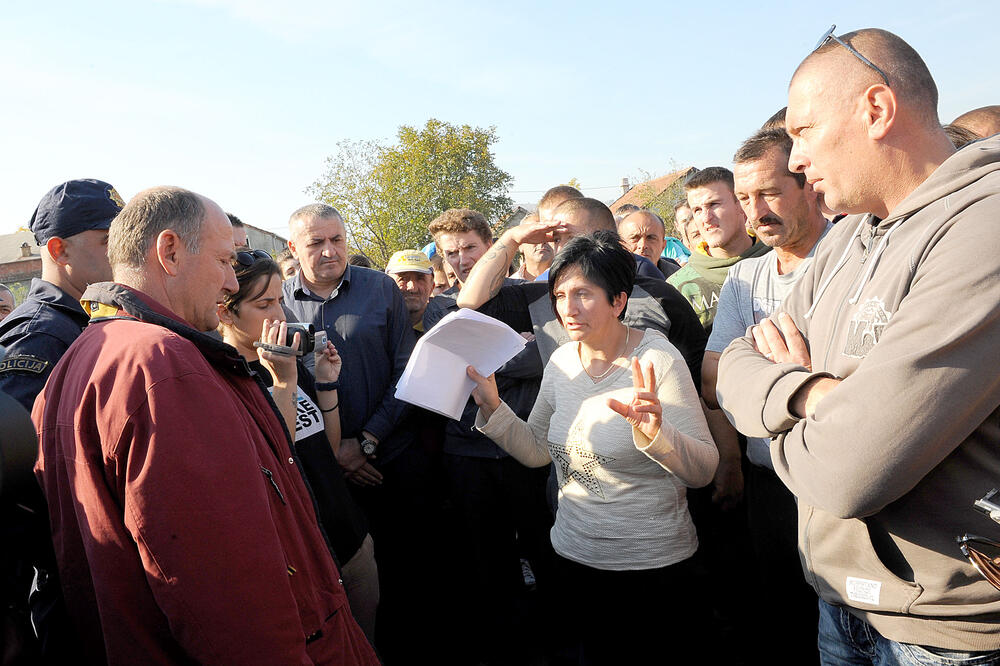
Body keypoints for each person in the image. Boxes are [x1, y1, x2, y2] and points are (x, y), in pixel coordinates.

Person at [717, 27, 1000, 663]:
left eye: (803, 132)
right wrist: (811, 391)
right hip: (842, 609)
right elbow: (734, 361)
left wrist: (781, 411)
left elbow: (850, 472)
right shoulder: (849, 238)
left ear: (876, 109)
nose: (792, 159)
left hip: (945, 635)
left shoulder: (985, 226)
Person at [32, 186, 377, 664]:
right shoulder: (163, 366)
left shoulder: (82, 356)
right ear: (169, 252)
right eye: (222, 261)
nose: (232, 284)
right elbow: (227, 590)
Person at [467, 230, 718, 664]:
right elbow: (537, 451)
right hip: (573, 558)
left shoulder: (656, 361)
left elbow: (703, 471)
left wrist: (658, 434)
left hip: (652, 570)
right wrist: (494, 407)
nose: (568, 308)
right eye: (560, 295)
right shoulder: (562, 361)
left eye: (583, 293)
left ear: (618, 301)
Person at [282, 203, 436, 662]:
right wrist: (334, 458)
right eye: (316, 243)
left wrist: (366, 440)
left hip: (391, 461)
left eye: (337, 240)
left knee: (404, 577)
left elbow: (408, 373)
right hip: (321, 478)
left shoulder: (380, 289)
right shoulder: (279, 302)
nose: (330, 251)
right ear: (293, 248)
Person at [703, 126, 831, 663]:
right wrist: (797, 378)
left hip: (832, 484)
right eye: (746, 197)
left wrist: (752, 374)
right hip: (768, 481)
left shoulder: (853, 261)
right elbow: (713, 380)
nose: (756, 211)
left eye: (771, 192)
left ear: (806, 184)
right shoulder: (745, 279)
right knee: (785, 620)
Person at [217, 249, 379, 643]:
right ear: (225, 312)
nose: (279, 316)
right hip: (305, 554)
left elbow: (328, 448)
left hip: (348, 535)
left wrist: (324, 382)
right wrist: (284, 383)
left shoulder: (284, 359)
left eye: (280, 301)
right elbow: (278, 457)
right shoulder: (227, 379)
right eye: (264, 304)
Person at [426, 209, 552, 665]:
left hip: (528, 447)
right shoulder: (439, 308)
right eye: (451, 252)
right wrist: (517, 347)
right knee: (489, 558)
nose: (461, 260)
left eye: (470, 249)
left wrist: (490, 358)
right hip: (467, 452)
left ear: (493, 250)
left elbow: (553, 357)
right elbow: (444, 371)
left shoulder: (534, 295)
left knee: (544, 547)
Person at [456, 196, 707, 384]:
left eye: (569, 238)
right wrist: (511, 239)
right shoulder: (541, 296)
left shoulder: (659, 296)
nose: (560, 249)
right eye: (556, 240)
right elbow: (470, 302)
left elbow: (698, 377)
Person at [668, 167, 771, 332]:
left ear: (740, 203)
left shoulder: (780, 258)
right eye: (697, 210)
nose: (706, 218)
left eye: (713, 204)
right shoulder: (678, 288)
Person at [383, 249, 436, 333]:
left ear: (432, 287)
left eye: (420, 279)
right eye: (403, 279)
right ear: (386, 286)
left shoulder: (446, 327)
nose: (412, 288)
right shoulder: (373, 328)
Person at [617, 209, 681, 277]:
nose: (643, 245)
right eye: (634, 238)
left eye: (651, 238)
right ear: (621, 245)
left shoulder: (679, 277)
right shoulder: (610, 282)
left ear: (663, 245)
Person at [511, 212, 553, 281]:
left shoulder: (567, 281)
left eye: (547, 234)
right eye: (535, 235)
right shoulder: (508, 286)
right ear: (520, 245)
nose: (542, 241)